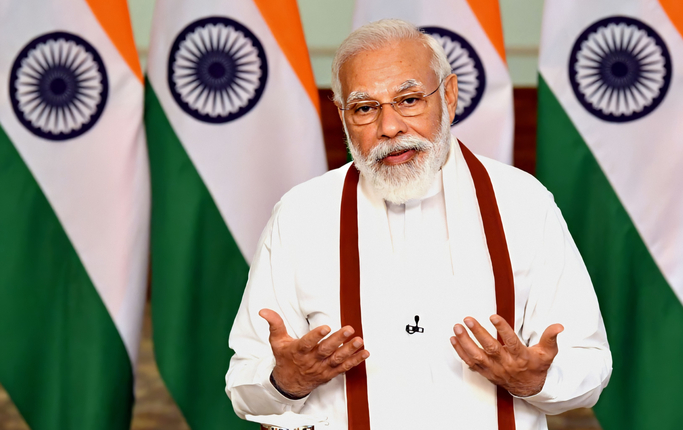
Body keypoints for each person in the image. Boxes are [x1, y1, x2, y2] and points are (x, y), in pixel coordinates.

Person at [225, 19, 611, 430]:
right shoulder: (301, 214)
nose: (389, 128)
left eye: (409, 100)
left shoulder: (524, 204)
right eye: (364, 108)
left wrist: (536, 379)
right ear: (342, 115)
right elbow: (243, 383)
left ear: (448, 95)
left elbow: (588, 364)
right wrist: (286, 381)